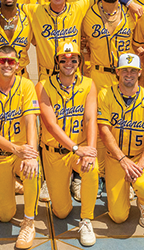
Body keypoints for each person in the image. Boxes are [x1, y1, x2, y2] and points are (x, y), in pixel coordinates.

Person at [37, 42, 99, 246]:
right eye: (63, 59)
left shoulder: (88, 84)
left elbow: (90, 119)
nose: (68, 63)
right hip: (54, 152)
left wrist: (89, 150)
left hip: (79, 149)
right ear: (57, 62)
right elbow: (50, 124)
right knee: (61, 212)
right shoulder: (43, 85)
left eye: (73, 59)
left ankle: (86, 219)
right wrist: (76, 148)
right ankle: (70, 184)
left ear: (79, 62)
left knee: (92, 168)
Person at [0, 46, 41, 249]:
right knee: (4, 216)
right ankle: (11, 185)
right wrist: (15, 149)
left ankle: (29, 222)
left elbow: (31, 122)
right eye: (3, 60)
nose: (7, 64)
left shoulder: (26, 85)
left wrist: (31, 154)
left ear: (17, 65)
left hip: (20, 154)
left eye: (11, 61)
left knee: (33, 170)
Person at [97, 53, 144, 228]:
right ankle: (124, 194)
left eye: (133, 70)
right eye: (124, 70)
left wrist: (139, 165)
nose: (129, 74)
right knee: (118, 216)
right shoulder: (105, 94)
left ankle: (143, 202)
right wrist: (122, 159)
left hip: (138, 158)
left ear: (140, 72)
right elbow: (104, 131)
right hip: (115, 159)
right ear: (117, 72)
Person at [81, 0, 134, 91]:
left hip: (126, 76)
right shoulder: (88, 14)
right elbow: (81, 42)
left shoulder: (131, 13)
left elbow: (139, 42)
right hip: (98, 75)